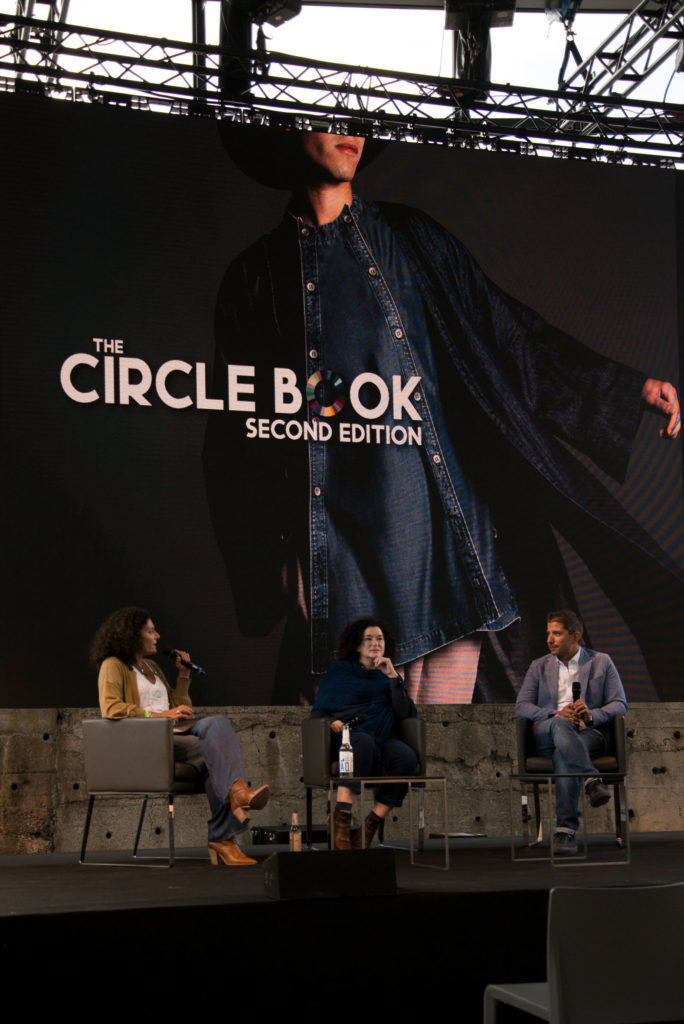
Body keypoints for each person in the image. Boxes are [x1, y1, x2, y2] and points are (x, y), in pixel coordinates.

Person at [203, 127, 682, 706]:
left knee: (451, 746)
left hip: (441, 529)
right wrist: (279, 561)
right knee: (349, 751)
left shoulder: (412, 240)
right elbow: (235, 435)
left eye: (355, 116)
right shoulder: (256, 277)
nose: (347, 131)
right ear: (288, 131)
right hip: (342, 545)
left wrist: (625, 387)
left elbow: (508, 333)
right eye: (324, 116)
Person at [91, 606, 269, 866]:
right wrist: (158, 716)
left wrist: (184, 675)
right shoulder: (113, 665)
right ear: (132, 635)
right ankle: (236, 800)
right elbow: (111, 708)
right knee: (214, 738)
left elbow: (179, 707)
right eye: (151, 631)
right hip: (145, 742)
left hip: (173, 738)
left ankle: (225, 834)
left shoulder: (151, 667)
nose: (158, 636)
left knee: (217, 735)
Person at [515, 609, 627, 855]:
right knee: (560, 724)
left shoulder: (601, 662)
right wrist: (555, 714)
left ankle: (565, 833)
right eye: (549, 634)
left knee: (565, 756)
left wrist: (592, 715)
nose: (549, 640)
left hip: (588, 733)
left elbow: (619, 703)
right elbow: (521, 706)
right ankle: (590, 777)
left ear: (575, 636)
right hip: (547, 730)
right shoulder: (538, 666)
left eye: (557, 634)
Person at [311, 617, 419, 850]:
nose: (375, 643)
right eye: (368, 639)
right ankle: (341, 824)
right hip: (349, 735)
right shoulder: (340, 672)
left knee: (406, 757)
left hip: (383, 736)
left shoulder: (389, 676)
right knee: (362, 743)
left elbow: (403, 713)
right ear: (357, 646)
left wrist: (392, 677)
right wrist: (332, 721)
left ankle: (370, 826)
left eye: (379, 639)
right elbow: (318, 712)